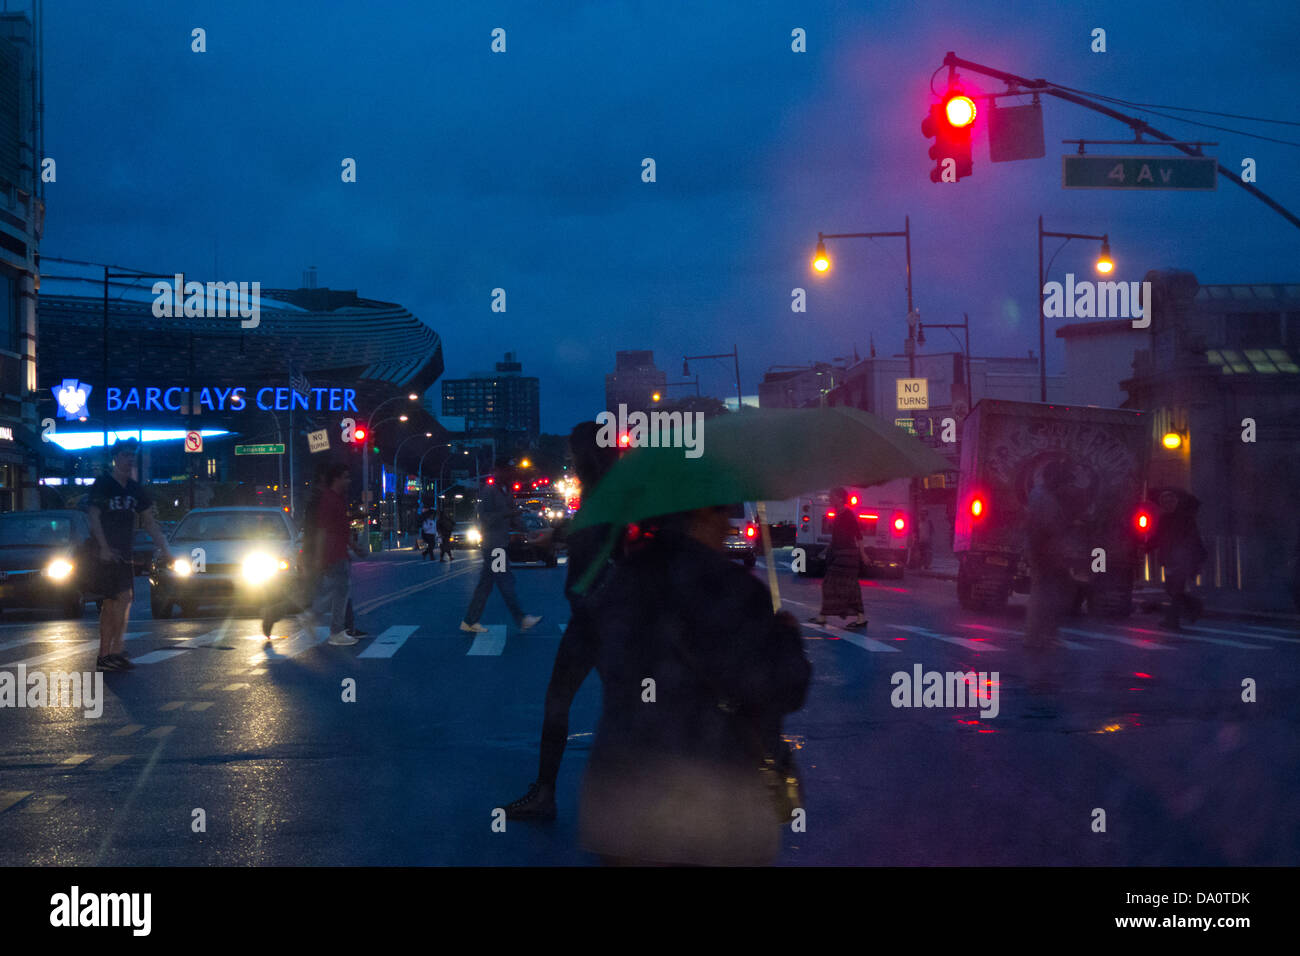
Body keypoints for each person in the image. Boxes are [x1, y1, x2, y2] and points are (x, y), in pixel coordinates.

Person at [578, 503, 812, 865]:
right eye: (720, 513)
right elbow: (780, 688)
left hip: (621, 804)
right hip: (709, 813)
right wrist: (786, 639)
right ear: (700, 515)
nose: (726, 524)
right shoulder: (731, 588)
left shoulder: (619, 582)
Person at [504, 422, 619, 820]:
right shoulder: (601, 492)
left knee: (606, 706)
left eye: (573, 453)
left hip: (603, 619)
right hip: (589, 617)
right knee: (565, 703)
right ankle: (547, 793)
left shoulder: (610, 493)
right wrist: (555, 535)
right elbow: (588, 530)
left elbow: (606, 538)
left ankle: (551, 794)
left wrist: (560, 536)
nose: (569, 459)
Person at [88, 440, 175, 672]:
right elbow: (94, 517)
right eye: (126, 455)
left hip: (123, 553)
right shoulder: (103, 485)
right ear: (116, 458)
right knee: (119, 599)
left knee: (115, 601)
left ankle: (107, 655)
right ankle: (113, 651)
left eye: (132, 456)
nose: (130, 460)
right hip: (105, 553)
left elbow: (150, 522)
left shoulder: (135, 490)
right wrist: (104, 547)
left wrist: (166, 550)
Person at [459, 459, 541, 634]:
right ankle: (521, 618)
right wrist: (508, 513)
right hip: (494, 545)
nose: (510, 475)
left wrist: (527, 530)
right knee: (505, 581)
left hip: (500, 543)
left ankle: (470, 621)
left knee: (486, 584)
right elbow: (485, 518)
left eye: (511, 472)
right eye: (506, 471)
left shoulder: (506, 492)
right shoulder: (489, 492)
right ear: (496, 471)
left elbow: (514, 517)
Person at [1024, 462, 1074, 650]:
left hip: (1045, 551)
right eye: (1062, 480)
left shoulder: (1043, 495)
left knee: (1047, 593)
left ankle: (1039, 635)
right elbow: (1038, 527)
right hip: (1044, 551)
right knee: (1048, 594)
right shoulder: (1042, 497)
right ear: (1053, 478)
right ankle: (1040, 635)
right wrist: (1043, 554)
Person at [1146, 488, 1206, 631]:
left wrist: (1196, 557)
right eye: (1165, 502)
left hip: (1182, 558)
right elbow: (1158, 537)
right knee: (1171, 589)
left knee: (1176, 590)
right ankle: (1194, 606)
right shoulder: (1165, 519)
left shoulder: (1185, 519)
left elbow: (1193, 538)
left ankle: (1172, 620)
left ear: (1176, 502)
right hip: (1170, 559)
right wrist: (1148, 547)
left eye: (1170, 501)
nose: (1168, 504)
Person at [811, 487, 867, 629]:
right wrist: (825, 551)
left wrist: (863, 554)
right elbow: (836, 538)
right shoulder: (839, 514)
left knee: (829, 583)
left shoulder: (848, 515)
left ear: (840, 499)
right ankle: (860, 618)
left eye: (832, 496)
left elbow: (858, 536)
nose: (830, 498)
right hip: (841, 555)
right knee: (851, 586)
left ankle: (823, 616)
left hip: (847, 556)